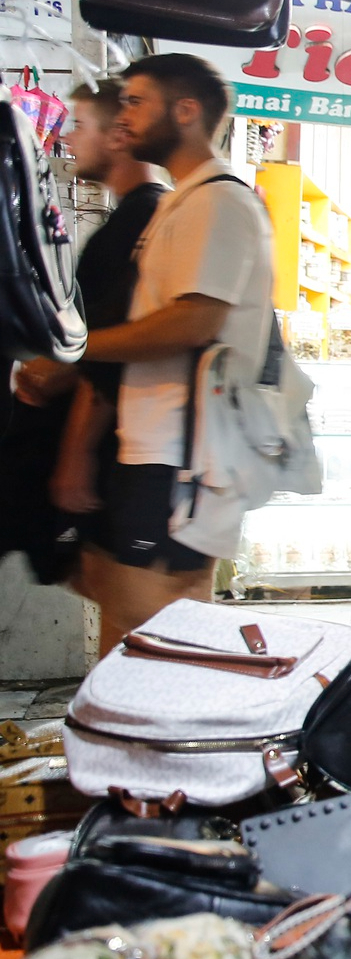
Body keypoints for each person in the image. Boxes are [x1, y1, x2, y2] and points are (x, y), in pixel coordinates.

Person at [65, 55, 275, 654]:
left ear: (185, 112)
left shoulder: (217, 202)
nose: (123, 116)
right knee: (146, 643)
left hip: (175, 460)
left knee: (148, 652)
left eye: (137, 102)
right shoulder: (189, 200)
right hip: (164, 453)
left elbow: (192, 321)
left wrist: (77, 352)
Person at [1, 80, 166, 588]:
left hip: (105, 461)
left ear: (118, 136)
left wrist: (72, 455)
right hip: (102, 461)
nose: (67, 139)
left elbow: (113, 349)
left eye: (79, 125)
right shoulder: (138, 217)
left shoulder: (143, 218)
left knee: (124, 607)